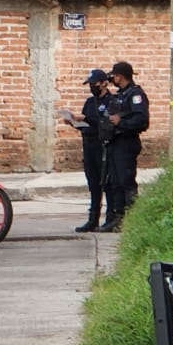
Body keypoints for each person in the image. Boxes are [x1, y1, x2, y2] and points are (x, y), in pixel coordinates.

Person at [99, 60, 149, 232]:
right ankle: (118, 218)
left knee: (126, 181)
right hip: (115, 142)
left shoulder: (135, 95)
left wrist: (122, 121)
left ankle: (134, 219)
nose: (113, 79)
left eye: (114, 76)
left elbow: (141, 120)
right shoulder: (121, 95)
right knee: (114, 182)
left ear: (120, 76)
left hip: (126, 142)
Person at [70, 69, 112, 232]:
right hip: (88, 144)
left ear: (103, 83)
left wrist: (86, 119)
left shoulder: (110, 101)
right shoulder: (89, 102)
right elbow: (86, 122)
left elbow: (105, 122)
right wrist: (74, 122)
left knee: (106, 182)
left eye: (94, 83)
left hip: (102, 145)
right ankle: (92, 218)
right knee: (93, 183)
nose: (92, 87)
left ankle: (110, 217)